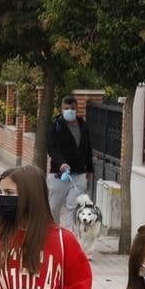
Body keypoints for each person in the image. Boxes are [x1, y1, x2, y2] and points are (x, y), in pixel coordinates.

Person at [47, 95, 94, 229]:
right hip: (59, 174)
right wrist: (61, 163)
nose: (69, 111)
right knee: (54, 206)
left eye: (72, 108)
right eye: (66, 108)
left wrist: (89, 169)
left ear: (77, 109)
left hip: (79, 174)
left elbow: (88, 148)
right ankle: (54, 230)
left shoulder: (83, 125)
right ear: (62, 109)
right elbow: (51, 148)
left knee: (73, 206)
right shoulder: (55, 126)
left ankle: (69, 235)